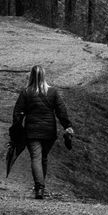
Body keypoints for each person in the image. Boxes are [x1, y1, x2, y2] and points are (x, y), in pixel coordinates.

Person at [10, 65, 74, 200]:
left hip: (32, 131)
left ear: (31, 76)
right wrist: (67, 126)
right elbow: (61, 111)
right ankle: (40, 188)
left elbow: (17, 113)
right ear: (44, 76)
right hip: (49, 131)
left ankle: (39, 188)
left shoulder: (26, 92)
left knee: (36, 158)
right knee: (43, 158)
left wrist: (16, 129)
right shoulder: (53, 92)